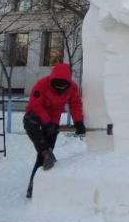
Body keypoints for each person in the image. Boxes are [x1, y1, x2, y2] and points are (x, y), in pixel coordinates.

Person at [23, 63, 86, 198]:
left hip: (54, 121)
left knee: (45, 158)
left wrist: (78, 121)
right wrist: (46, 122)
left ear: (68, 83)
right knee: (29, 122)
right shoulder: (42, 85)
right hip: (36, 115)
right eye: (57, 86)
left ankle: (34, 187)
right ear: (52, 81)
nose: (60, 89)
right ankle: (45, 151)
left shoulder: (73, 88)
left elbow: (75, 104)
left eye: (63, 86)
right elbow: (35, 104)